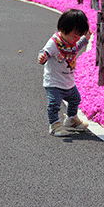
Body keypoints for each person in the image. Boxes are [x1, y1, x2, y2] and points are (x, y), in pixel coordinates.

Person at [38, 9, 92, 137]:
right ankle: (55, 125)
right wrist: (42, 57)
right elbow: (44, 51)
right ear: (63, 29)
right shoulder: (55, 43)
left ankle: (71, 120)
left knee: (75, 99)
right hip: (54, 82)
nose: (77, 39)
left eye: (79, 35)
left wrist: (85, 38)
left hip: (68, 82)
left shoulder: (71, 43)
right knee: (54, 104)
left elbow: (78, 46)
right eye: (75, 35)